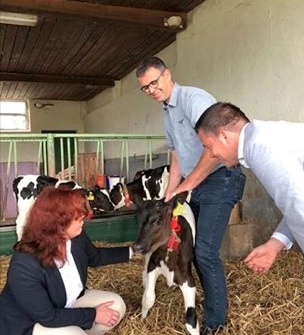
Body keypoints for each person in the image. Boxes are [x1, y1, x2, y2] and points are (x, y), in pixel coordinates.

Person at [195, 101, 304, 335]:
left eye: (208, 146)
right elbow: (302, 201)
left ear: (224, 136)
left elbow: (303, 216)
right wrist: (275, 243)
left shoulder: (263, 149)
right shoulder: (263, 138)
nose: (211, 155)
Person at [136, 57, 246, 334]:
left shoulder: (193, 100)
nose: (151, 89)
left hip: (220, 179)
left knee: (206, 252)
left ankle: (215, 322)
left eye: (154, 82)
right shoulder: (167, 113)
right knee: (193, 249)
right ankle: (200, 301)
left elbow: (214, 147)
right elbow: (176, 157)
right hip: (196, 183)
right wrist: (170, 192)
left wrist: (189, 184)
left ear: (167, 75)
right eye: (145, 88)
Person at [0, 187, 132, 335]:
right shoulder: (24, 264)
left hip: (64, 303)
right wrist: (93, 314)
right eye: (78, 218)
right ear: (58, 223)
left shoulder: (75, 237)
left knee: (116, 306)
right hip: (30, 322)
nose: (84, 220)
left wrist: (134, 251)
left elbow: (95, 256)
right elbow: (47, 316)